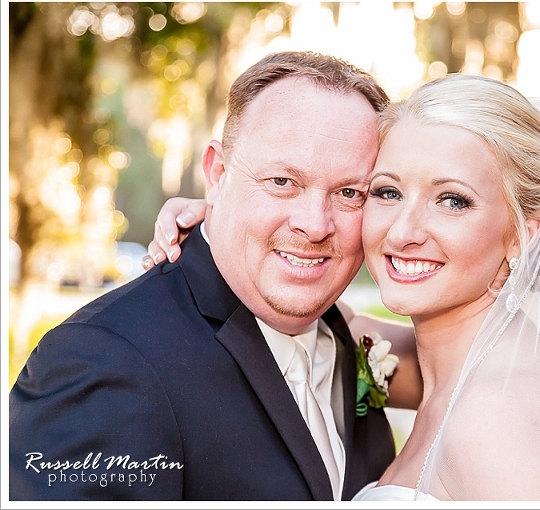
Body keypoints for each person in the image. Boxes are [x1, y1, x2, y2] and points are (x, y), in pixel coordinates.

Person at [149, 73, 540, 500]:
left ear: (529, 233)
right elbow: (327, 339)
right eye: (386, 192)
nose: (404, 232)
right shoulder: (432, 367)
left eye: (452, 200)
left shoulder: (502, 426)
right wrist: (231, 222)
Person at [9, 51, 422, 501]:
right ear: (218, 173)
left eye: (349, 192)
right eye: (282, 181)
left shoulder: (349, 340)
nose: (315, 224)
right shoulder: (106, 362)